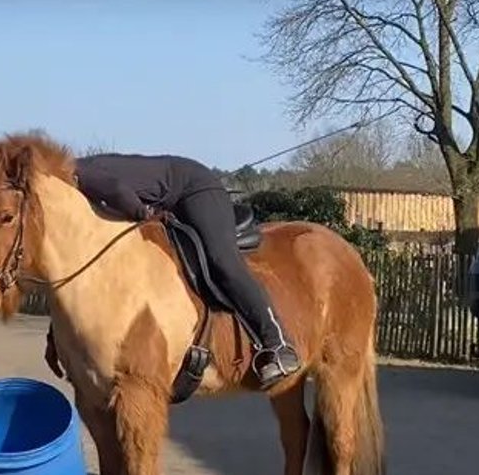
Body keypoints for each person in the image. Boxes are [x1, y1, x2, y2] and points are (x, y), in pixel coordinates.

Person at [52, 152, 302, 389]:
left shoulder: (78, 173)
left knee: (221, 259)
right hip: (173, 199)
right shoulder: (71, 189)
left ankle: (278, 344)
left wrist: (144, 213)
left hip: (196, 187)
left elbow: (118, 191)